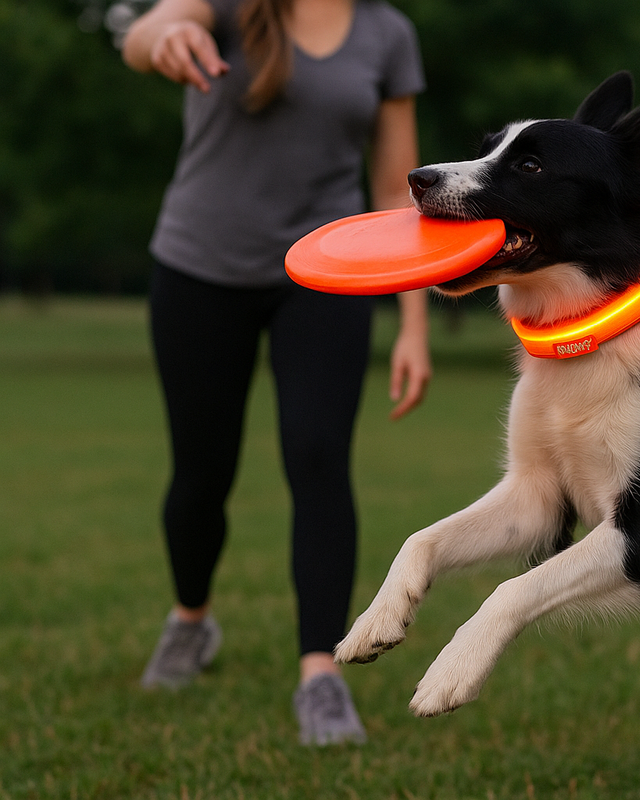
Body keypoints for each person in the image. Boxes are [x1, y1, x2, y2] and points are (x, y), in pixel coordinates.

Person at [122, 0, 430, 745]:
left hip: (327, 273)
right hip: (200, 266)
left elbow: (395, 189)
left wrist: (413, 324)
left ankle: (320, 674)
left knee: (320, 458)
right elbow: (140, 34)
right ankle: (191, 618)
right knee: (202, 473)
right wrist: (169, 36)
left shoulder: (388, 33)